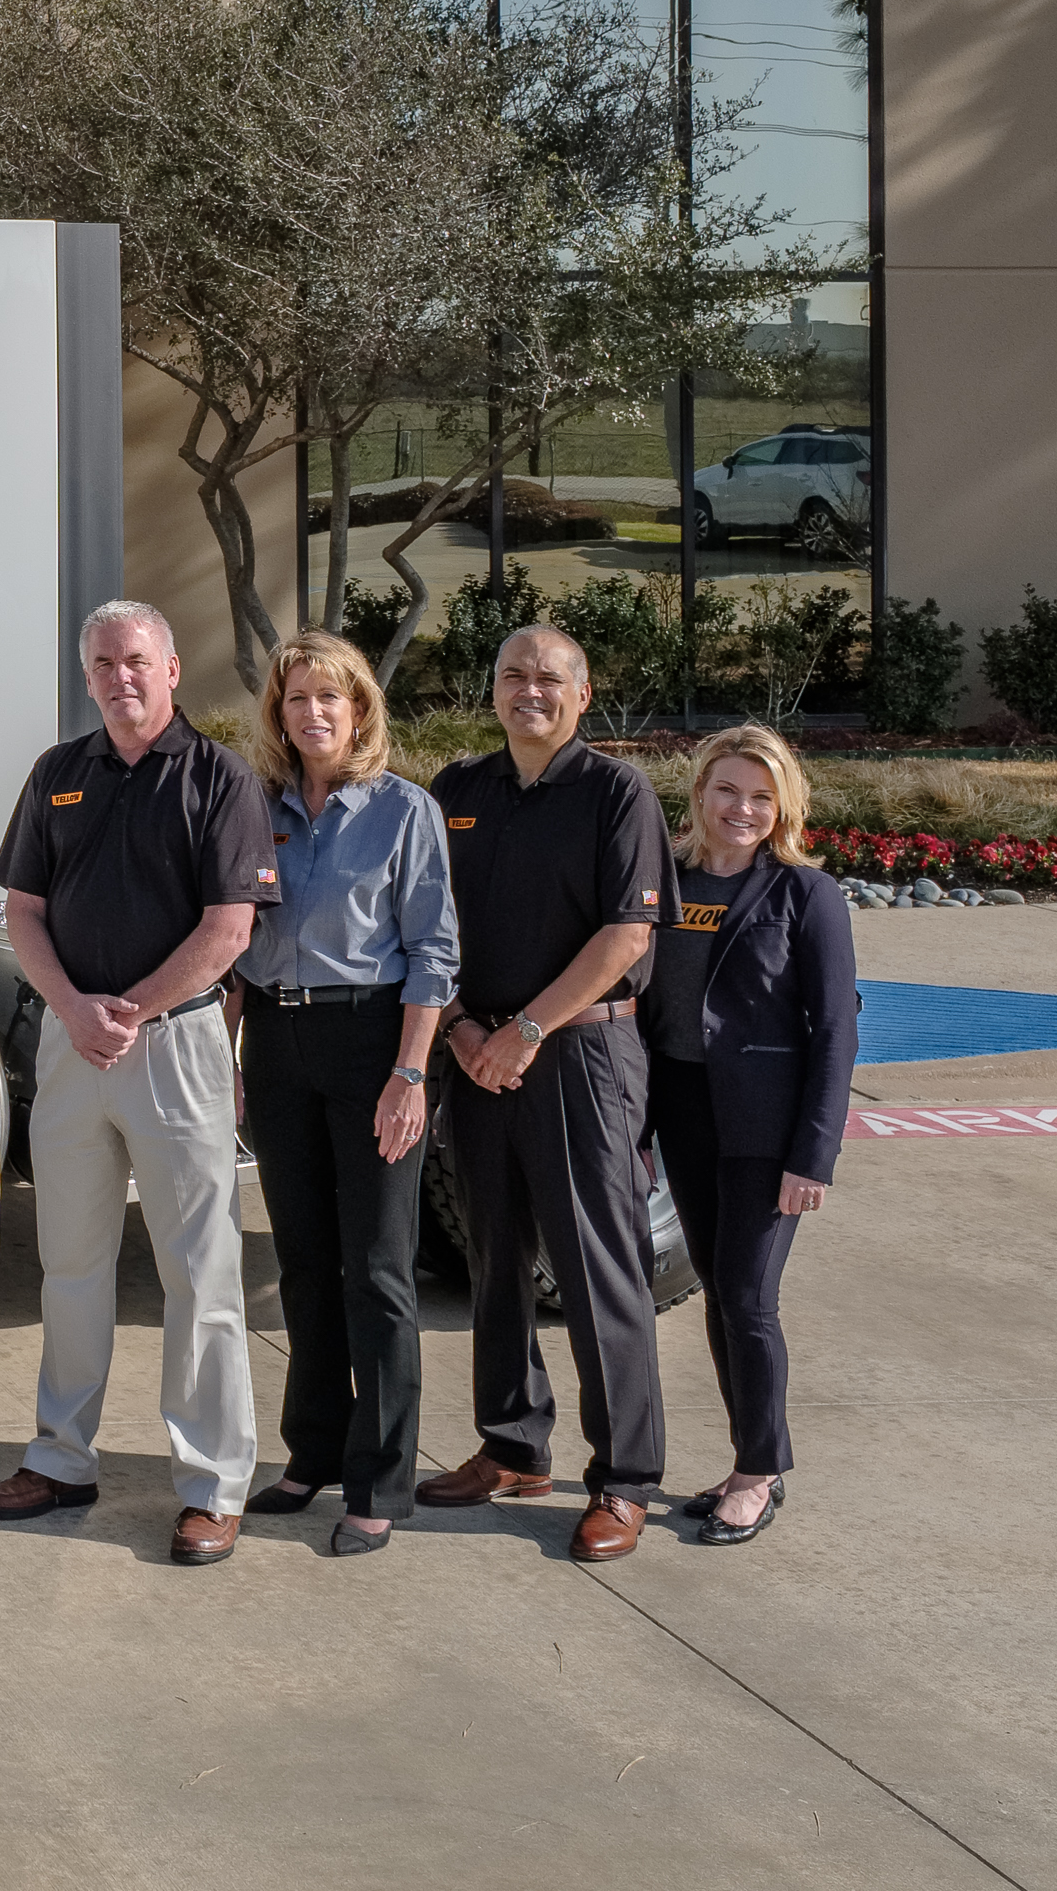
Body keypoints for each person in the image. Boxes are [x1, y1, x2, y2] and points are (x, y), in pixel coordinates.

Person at [0, 601, 280, 1564]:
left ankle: (213, 1483)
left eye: (137, 660)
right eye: (103, 663)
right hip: (73, 1047)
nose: (121, 677)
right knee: (70, 1262)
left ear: (174, 668)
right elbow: (24, 910)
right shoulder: (59, 775)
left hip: (176, 1046)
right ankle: (62, 1457)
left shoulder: (219, 779)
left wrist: (132, 1009)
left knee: (200, 1274)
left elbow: (230, 929)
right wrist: (72, 1007)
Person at [417, 624, 675, 1561]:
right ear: (493, 691)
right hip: (476, 1052)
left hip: (579, 1059)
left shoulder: (616, 793)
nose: (530, 691)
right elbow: (426, 924)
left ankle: (624, 1480)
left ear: (583, 692)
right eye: (513, 676)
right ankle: (513, 1446)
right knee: (494, 1260)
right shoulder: (458, 792)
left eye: (549, 678)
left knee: (598, 1268)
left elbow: (626, 939)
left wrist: (524, 1031)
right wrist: (463, 1033)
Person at [230, 631, 455, 1555]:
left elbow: (434, 953)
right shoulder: (258, 809)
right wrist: (233, 1061)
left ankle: (380, 1481)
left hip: (371, 1044)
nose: (313, 714)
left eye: (332, 698)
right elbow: (236, 942)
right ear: (278, 715)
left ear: (360, 709)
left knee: (377, 1269)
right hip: (278, 1043)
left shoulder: (404, 812)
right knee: (302, 1262)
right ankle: (311, 1452)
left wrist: (410, 1074)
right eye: (296, 700)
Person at [639, 723, 856, 1548]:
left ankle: (761, 1472)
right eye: (728, 790)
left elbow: (836, 1030)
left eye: (762, 797)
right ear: (700, 793)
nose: (743, 808)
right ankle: (746, 1461)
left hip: (767, 1129)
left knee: (747, 1297)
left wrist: (814, 1154)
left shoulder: (807, 894)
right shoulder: (671, 879)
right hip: (687, 1112)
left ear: (783, 807)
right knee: (722, 1297)